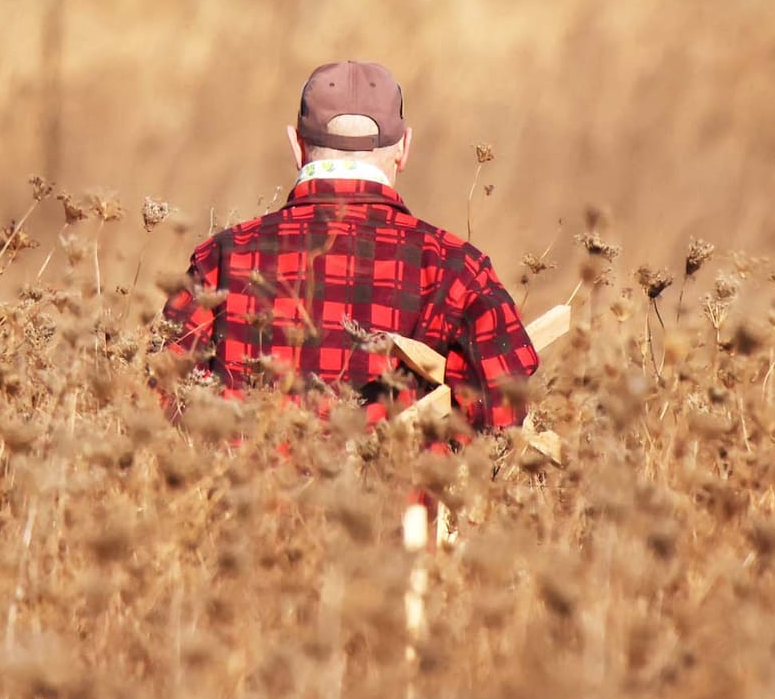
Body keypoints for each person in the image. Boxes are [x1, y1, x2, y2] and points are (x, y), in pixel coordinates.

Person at [158, 61, 540, 441]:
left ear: (296, 145)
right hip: (396, 498)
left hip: (249, 498)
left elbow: (161, 401)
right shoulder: (454, 268)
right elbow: (501, 421)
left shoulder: (224, 258)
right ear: (404, 148)